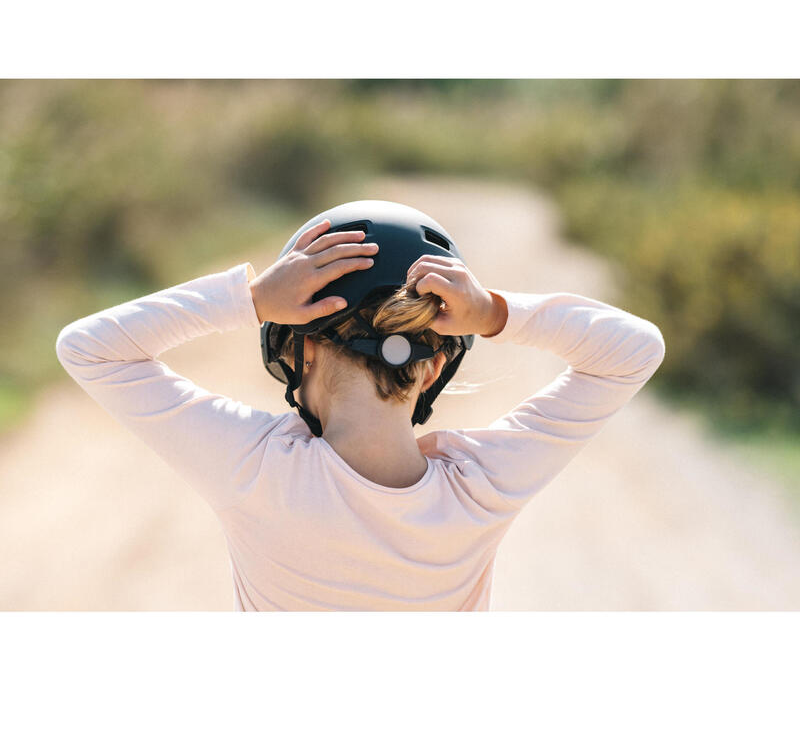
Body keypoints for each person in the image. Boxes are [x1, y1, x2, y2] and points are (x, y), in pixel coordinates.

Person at [56, 200, 666, 611]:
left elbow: (89, 349)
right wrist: (493, 313)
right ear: (431, 369)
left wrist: (250, 298)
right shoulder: (479, 488)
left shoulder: (256, 469)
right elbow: (634, 350)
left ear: (303, 353)